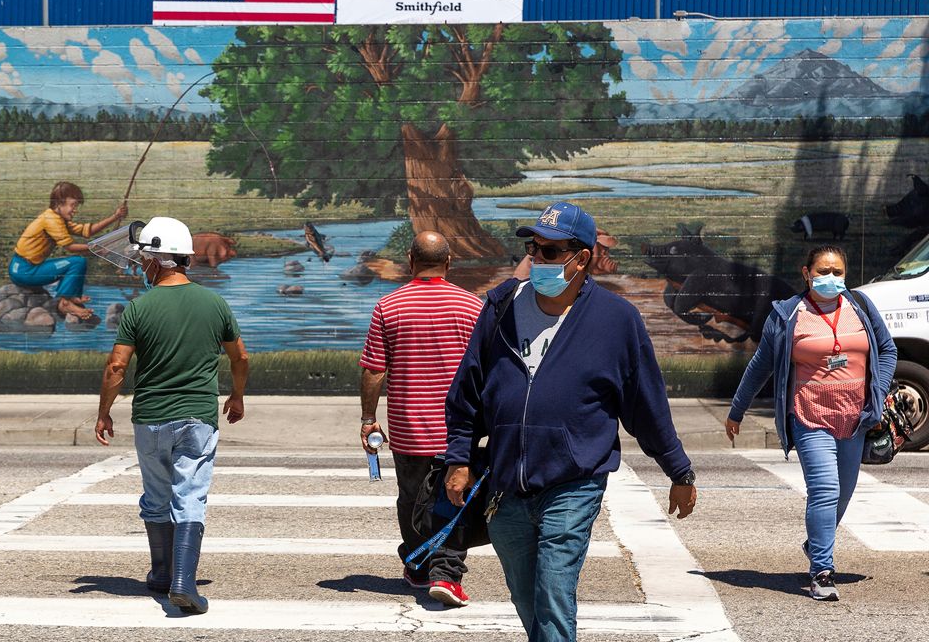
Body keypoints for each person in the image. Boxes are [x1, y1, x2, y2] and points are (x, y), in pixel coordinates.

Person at [443, 201, 698, 642]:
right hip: (506, 485)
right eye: (532, 247)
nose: (536, 258)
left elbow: (645, 404)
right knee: (526, 597)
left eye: (549, 252)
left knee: (554, 593)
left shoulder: (617, 320)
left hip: (574, 481)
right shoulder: (501, 305)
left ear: (581, 258)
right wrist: (459, 458)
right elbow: (468, 389)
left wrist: (677, 469)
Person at [94, 216, 248, 615]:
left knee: (157, 496)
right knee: (190, 495)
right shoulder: (214, 303)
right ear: (184, 260)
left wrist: (104, 413)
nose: (138, 266)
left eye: (141, 260)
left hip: (151, 417)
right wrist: (237, 396)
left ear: (156, 261)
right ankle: (184, 583)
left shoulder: (139, 308)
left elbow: (116, 367)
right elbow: (240, 356)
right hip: (197, 416)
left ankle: (162, 574)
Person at [725, 244, 896, 602]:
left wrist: (877, 392)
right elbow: (761, 365)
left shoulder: (860, 307)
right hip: (809, 415)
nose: (831, 279)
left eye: (837, 273)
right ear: (806, 273)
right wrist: (737, 410)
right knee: (825, 490)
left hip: (854, 417)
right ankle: (821, 571)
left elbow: (887, 348)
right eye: (823, 271)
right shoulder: (788, 315)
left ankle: (815, 542)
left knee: (843, 495)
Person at [359, 230, 483, 607]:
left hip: (408, 426)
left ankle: (419, 565)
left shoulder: (388, 305)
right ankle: (444, 573)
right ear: (449, 262)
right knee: (453, 497)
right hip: (458, 430)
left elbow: (374, 370)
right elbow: (487, 369)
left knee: (411, 498)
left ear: (410, 261)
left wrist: (368, 418)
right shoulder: (473, 307)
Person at [9, 181, 128, 319]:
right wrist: (97, 249)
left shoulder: (58, 218)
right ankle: (65, 302)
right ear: (59, 203)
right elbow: (70, 247)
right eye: (73, 205)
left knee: (77, 262)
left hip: (25, 268)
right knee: (77, 262)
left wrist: (115, 217)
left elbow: (86, 231)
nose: (75, 209)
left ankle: (72, 297)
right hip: (24, 271)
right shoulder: (51, 220)